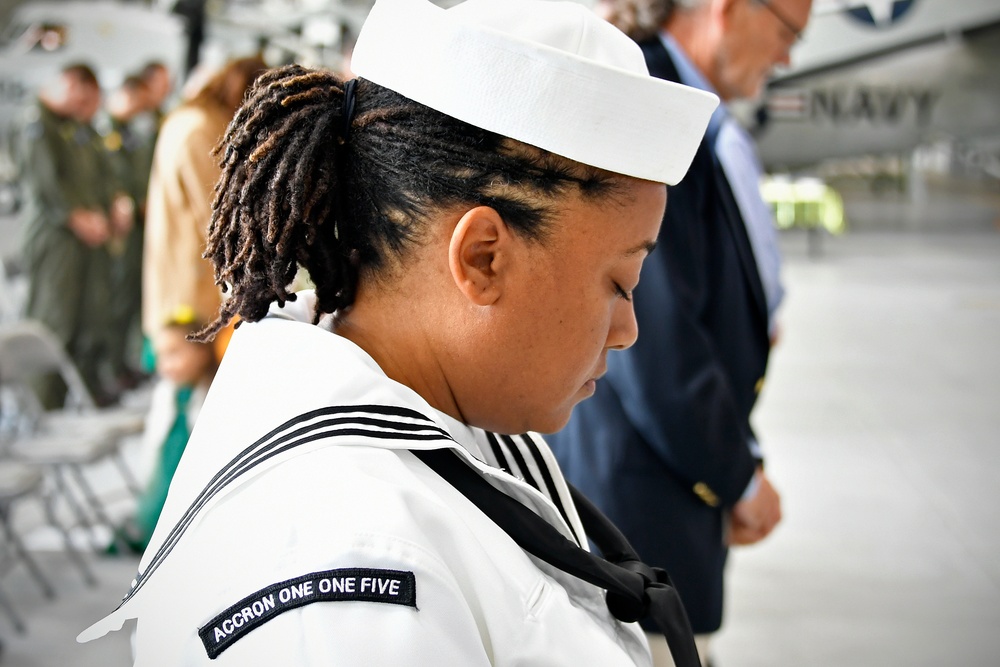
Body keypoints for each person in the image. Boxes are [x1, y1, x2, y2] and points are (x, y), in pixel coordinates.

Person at [77, 0, 719, 663]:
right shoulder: (344, 587)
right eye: (620, 283)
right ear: (481, 258)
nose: (629, 331)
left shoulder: (441, 411)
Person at [546, 0, 811, 664]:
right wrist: (738, 476)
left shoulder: (687, 110)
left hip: (661, 487)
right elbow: (658, 348)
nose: (788, 57)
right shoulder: (655, 108)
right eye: (788, 31)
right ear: (730, 9)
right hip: (642, 501)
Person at [141, 55, 267, 362]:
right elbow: (218, 217)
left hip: (174, 275)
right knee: (194, 385)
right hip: (191, 288)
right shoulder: (203, 129)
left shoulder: (183, 118)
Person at [17, 63, 118, 407]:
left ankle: (59, 403)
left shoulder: (67, 126)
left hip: (77, 236)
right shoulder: (38, 124)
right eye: (83, 98)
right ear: (69, 84)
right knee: (51, 320)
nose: (84, 108)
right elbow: (47, 185)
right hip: (55, 237)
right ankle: (38, 406)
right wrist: (78, 218)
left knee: (76, 320)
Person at [112, 307, 218, 554]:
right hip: (166, 471)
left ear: (202, 350)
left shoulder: (215, 391)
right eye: (160, 356)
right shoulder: (166, 393)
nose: (165, 365)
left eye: (174, 353)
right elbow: (153, 443)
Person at [101, 74, 155, 388]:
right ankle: (112, 368)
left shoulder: (128, 131)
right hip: (118, 229)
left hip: (135, 224)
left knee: (130, 300)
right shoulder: (106, 132)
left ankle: (123, 364)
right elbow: (112, 178)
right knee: (116, 302)